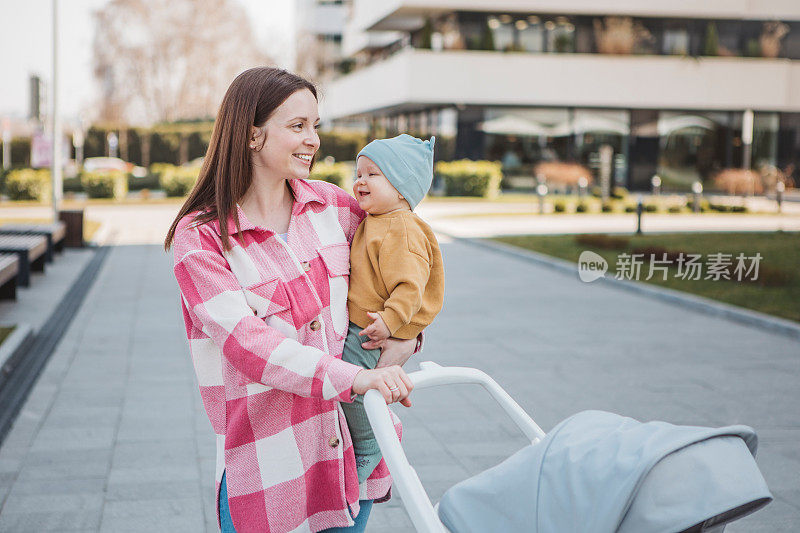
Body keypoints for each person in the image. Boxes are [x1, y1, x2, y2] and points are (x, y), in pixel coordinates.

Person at [164, 67, 420, 533]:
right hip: (271, 473)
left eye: (315, 126)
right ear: (251, 135)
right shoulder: (201, 240)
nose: (314, 140)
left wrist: (407, 336)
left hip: (346, 464)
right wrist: (358, 378)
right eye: (298, 126)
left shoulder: (339, 207)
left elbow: (401, 272)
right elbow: (251, 348)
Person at [342, 135, 445, 482]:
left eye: (373, 174)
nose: (360, 181)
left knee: (355, 389)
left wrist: (390, 322)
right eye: (359, 173)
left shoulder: (401, 228)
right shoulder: (377, 219)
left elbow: (410, 285)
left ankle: (370, 444)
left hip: (373, 329)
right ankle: (364, 441)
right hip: (367, 323)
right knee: (350, 384)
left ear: (401, 188)